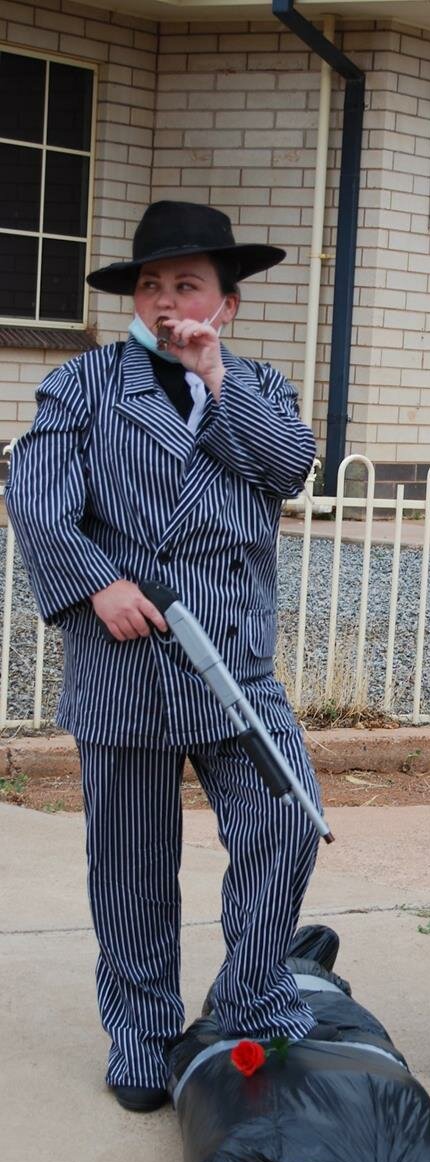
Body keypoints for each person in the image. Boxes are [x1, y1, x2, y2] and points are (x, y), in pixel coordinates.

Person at [6, 200, 322, 1113]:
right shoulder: (86, 385)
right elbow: (36, 496)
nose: (165, 299)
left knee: (286, 822)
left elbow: (287, 467)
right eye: (151, 284)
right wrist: (94, 583)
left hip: (235, 664)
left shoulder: (259, 386)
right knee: (134, 866)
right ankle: (142, 1033)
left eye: (187, 284)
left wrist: (214, 378)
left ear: (226, 304)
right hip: (127, 661)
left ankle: (251, 996)